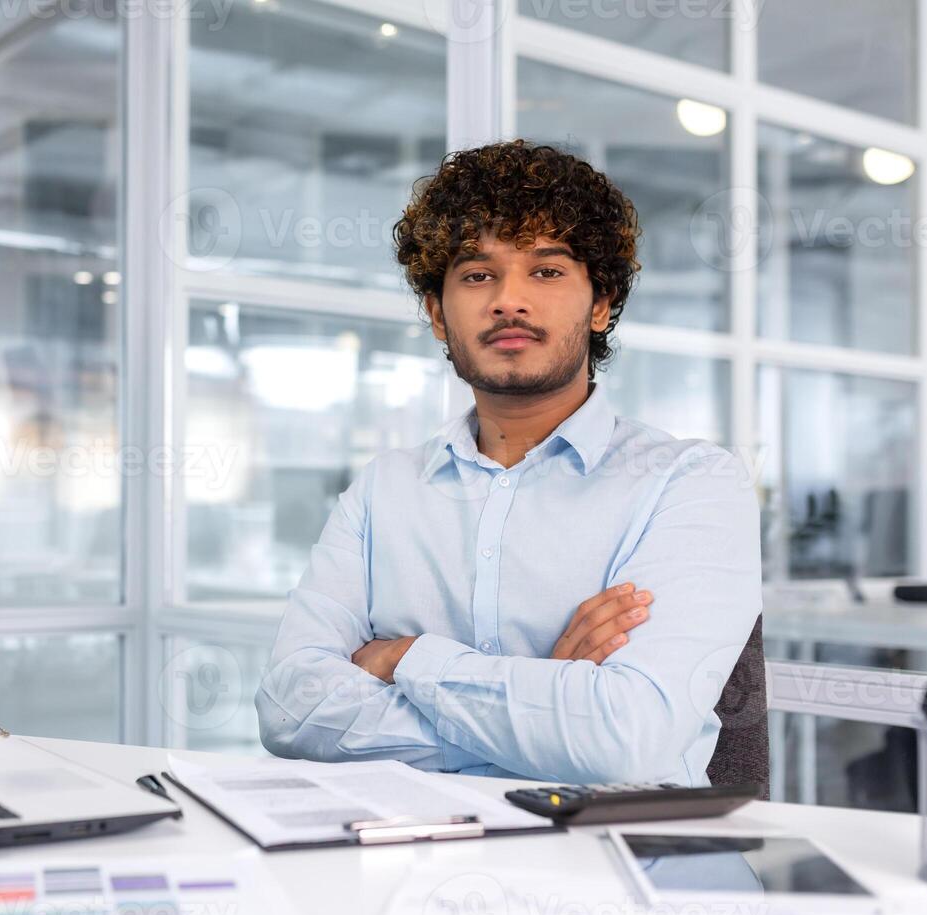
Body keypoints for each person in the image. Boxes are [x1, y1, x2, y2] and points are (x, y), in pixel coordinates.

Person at [254, 140, 761, 785]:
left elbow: (629, 741)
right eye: (476, 274)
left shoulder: (689, 483)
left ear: (600, 305)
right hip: (405, 859)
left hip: (615, 858)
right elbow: (289, 711)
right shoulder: (385, 489)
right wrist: (548, 694)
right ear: (438, 314)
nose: (508, 301)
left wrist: (407, 660)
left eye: (546, 272)